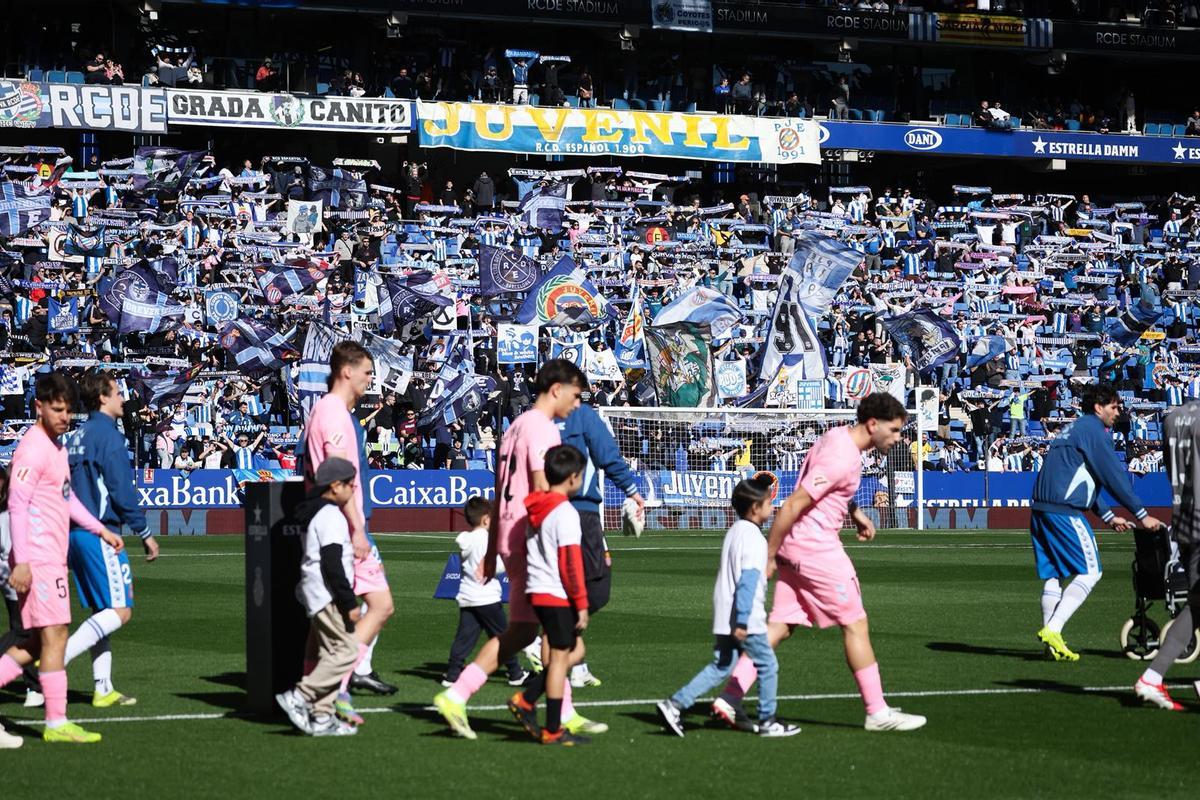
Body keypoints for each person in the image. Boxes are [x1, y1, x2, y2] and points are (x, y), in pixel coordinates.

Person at [713, 393, 927, 732]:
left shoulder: (837, 438)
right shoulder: (842, 457)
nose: (899, 438)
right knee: (855, 623)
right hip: (816, 550)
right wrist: (768, 554)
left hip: (798, 548)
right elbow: (795, 503)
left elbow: (833, 490)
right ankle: (877, 712)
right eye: (896, 430)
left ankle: (729, 698)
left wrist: (855, 513)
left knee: (780, 626)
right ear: (873, 424)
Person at [433, 359, 595, 740]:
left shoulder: (515, 427)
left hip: (509, 533)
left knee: (523, 632)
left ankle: (464, 695)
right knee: (562, 632)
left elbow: (499, 485)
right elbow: (542, 493)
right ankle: (552, 712)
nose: (576, 404)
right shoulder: (541, 429)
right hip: (529, 537)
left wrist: (492, 551)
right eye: (575, 395)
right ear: (557, 389)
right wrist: (554, 541)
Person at [0, 372, 124, 744]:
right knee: (54, 637)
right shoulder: (33, 449)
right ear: (39, 406)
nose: (64, 417)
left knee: (36, 643)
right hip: (37, 559)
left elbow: (66, 500)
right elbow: (18, 505)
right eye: (57, 409)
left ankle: (57, 722)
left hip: (50, 557)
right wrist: (21, 560)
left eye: (69, 411)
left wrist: (98, 528)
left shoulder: (55, 447)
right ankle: (56, 723)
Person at [656, 477, 801, 738]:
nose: (773, 507)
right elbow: (747, 581)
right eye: (769, 503)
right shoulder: (754, 538)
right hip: (744, 616)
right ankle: (768, 721)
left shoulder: (734, 531)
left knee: (722, 665)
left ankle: (674, 704)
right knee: (767, 665)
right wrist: (744, 620)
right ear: (756, 508)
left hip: (725, 613)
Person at [1031, 382, 1165, 661]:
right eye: (1114, 407)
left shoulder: (1075, 429)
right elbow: (1112, 475)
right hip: (1064, 511)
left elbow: (1080, 478)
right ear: (1098, 407)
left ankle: (1050, 643)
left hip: (1042, 509)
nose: (1118, 412)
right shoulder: (1094, 431)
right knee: (1092, 571)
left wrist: (1107, 515)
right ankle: (1053, 629)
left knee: (1054, 574)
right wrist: (1141, 514)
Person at [302, 342, 396, 728]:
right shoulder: (334, 415)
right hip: (343, 526)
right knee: (381, 605)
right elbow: (339, 478)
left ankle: (314, 690)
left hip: (334, 522)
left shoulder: (326, 412)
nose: (370, 379)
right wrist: (357, 528)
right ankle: (334, 687)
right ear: (347, 372)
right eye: (368, 372)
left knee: (322, 626)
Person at [63, 370, 160, 708]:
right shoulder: (108, 436)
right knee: (120, 610)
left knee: (102, 610)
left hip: (75, 532)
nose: (123, 399)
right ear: (103, 397)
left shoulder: (75, 436)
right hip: (101, 532)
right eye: (118, 392)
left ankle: (102, 687)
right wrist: (144, 532)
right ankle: (52, 663)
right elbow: (120, 489)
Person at [550, 393, 645, 688]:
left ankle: (575, 665)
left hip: (549, 512)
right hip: (582, 513)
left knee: (569, 588)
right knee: (596, 589)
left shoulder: (532, 420)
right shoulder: (583, 415)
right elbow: (607, 453)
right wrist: (631, 488)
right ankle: (541, 637)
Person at [275, 457, 361, 737]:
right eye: (350, 484)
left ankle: (322, 716)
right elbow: (332, 563)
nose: (353, 489)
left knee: (330, 653)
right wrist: (349, 602)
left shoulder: (315, 512)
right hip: (328, 595)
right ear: (336, 486)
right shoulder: (331, 516)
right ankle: (299, 696)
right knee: (347, 651)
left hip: (316, 592)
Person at [518, 444, 590, 745]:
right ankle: (549, 726)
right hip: (555, 592)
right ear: (573, 477)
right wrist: (582, 604)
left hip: (537, 588)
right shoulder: (564, 513)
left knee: (569, 654)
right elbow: (570, 563)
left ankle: (528, 699)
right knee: (563, 657)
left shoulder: (538, 507)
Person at [1133, 401, 1200, 710]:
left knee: (1197, 605)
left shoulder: (1174, 417)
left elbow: (1171, 467)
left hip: (1184, 519)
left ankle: (1153, 676)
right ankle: (1152, 677)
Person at [442, 497, 526, 687]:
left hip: (467, 597)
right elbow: (493, 567)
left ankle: (452, 674)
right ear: (486, 520)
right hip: (486, 598)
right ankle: (515, 672)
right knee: (504, 636)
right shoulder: (488, 540)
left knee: (464, 638)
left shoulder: (468, 540)